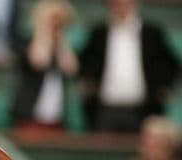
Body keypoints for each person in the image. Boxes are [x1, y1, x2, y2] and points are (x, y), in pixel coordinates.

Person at [79, 0, 180, 133]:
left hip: (143, 109)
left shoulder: (152, 33)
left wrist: (162, 88)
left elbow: (172, 64)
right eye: (115, 3)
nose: (120, 7)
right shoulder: (99, 32)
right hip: (104, 108)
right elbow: (84, 62)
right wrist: (89, 84)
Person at [10, 0, 78, 132]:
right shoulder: (25, 42)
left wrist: (60, 38)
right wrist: (44, 29)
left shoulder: (60, 48)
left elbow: (71, 69)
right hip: (30, 117)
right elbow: (39, 61)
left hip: (57, 119)